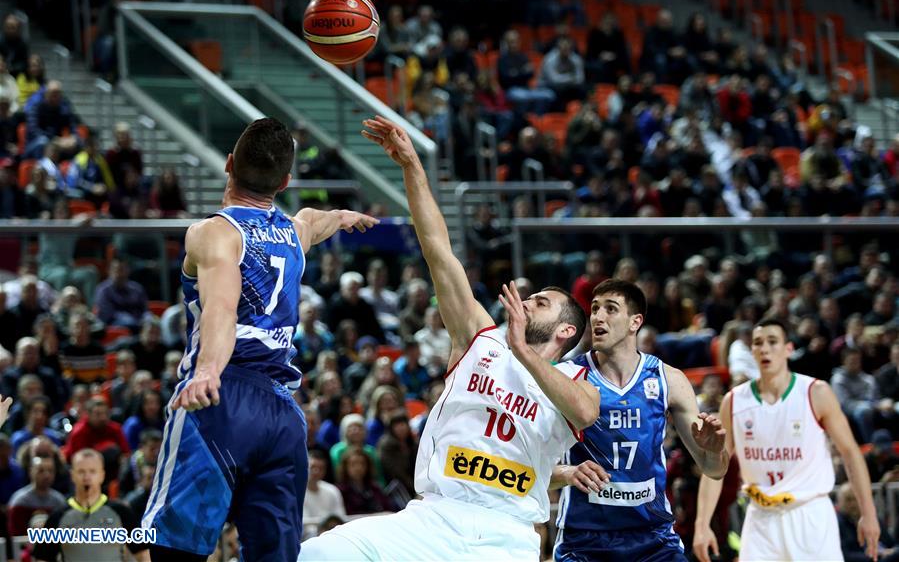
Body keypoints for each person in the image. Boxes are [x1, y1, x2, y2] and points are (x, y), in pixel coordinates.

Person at [297, 117, 598, 560]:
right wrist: (412, 168)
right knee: (317, 555)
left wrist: (524, 354)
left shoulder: (576, 377)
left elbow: (585, 413)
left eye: (541, 301)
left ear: (566, 330)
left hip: (506, 534)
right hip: (434, 517)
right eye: (529, 297)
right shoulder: (480, 336)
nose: (527, 301)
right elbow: (437, 248)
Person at [140, 118, 377, 562]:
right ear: (285, 181)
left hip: (223, 400)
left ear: (229, 164)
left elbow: (222, 309)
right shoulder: (294, 232)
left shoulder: (215, 232)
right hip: (285, 417)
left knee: (174, 549)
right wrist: (344, 217)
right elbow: (315, 220)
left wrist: (208, 370)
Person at [551, 279, 728, 561]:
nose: (597, 316)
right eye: (595, 308)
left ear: (635, 322)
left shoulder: (668, 379)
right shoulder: (567, 376)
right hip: (585, 541)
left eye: (610, 309)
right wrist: (566, 473)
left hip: (653, 539)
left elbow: (713, 469)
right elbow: (531, 467)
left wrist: (716, 449)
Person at [693, 319, 880, 562]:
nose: (765, 348)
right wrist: (702, 524)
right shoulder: (734, 401)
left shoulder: (816, 392)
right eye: (758, 343)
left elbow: (851, 453)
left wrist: (869, 513)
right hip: (761, 518)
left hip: (810, 515)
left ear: (788, 349)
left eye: (773, 342)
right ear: (752, 352)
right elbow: (715, 468)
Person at [33, 448, 150, 562]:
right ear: (72, 475)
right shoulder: (57, 517)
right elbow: (43, 558)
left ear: (102, 475)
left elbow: (143, 555)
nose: (86, 477)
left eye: (92, 471)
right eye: (81, 471)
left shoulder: (122, 512)